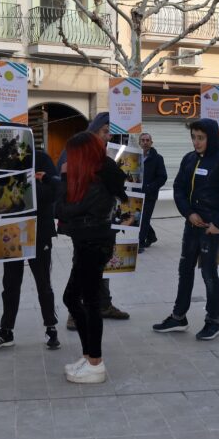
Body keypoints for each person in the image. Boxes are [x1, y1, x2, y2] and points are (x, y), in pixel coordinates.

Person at [153, 119, 219, 340]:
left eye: (201, 137)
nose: (196, 142)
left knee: (208, 274)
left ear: (211, 138)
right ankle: (178, 317)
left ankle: (213, 322)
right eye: (193, 137)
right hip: (192, 226)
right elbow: (178, 189)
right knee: (185, 270)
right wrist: (188, 213)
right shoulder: (189, 159)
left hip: (211, 230)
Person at [56, 131, 127, 383]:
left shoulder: (97, 181)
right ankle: (89, 356)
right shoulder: (95, 176)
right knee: (72, 298)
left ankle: (95, 363)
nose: (68, 160)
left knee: (90, 303)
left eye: (72, 156)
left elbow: (63, 208)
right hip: (89, 244)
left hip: (93, 246)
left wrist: (63, 177)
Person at [0, 148, 61, 350]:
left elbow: (53, 192)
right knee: (10, 282)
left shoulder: (41, 157)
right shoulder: (0, 159)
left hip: (39, 228)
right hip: (10, 228)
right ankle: (6, 330)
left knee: (43, 281)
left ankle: (51, 326)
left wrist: (25, 186)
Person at [59, 112, 130, 329]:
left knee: (100, 265)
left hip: (103, 223)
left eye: (110, 132)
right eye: (105, 131)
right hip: (83, 225)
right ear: (95, 130)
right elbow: (66, 191)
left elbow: (120, 188)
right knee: (81, 266)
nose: (108, 136)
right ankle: (76, 311)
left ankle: (104, 304)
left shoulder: (107, 156)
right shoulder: (77, 151)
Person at [137, 132, 167, 253]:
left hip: (150, 195)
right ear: (139, 142)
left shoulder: (158, 158)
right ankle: (151, 236)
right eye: (142, 140)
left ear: (151, 142)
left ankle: (140, 243)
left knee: (144, 219)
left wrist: (150, 187)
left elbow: (162, 177)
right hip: (137, 193)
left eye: (147, 140)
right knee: (139, 218)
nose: (145, 142)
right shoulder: (135, 157)